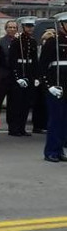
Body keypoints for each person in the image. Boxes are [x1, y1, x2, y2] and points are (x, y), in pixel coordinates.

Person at [38, 13, 67, 162]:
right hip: (56, 86)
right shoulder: (53, 42)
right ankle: (51, 151)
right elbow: (42, 67)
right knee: (56, 119)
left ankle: (60, 149)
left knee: (65, 121)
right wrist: (49, 86)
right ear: (61, 25)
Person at [7, 17, 39, 137]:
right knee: (16, 102)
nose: (30, 28)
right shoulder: (17, 41)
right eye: (28, 26)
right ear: (23, 27)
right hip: (19, 71)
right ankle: (14, 128)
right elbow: (12, 60)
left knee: (26, 102)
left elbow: (35, 60)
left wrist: (36, 77)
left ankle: (22, 127)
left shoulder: (33, 41)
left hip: (29, 71)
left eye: (31, 26)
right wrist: (17, 77)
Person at [34, 28, 57, 134]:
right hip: (42, 76)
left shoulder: (54, 44)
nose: (50, 34)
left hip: (51, 76)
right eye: (48, 32)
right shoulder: (40, 45)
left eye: (52, 32)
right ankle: (38, 125)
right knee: (40, 103)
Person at [0, 19, 19, 113]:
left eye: (14, 27)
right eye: (10, 27)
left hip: (15, 76)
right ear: (6, 29)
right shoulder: (0, 42)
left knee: (13, 101)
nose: (12, 29)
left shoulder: (20, 42)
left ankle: (11, 123)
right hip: (3, 75)